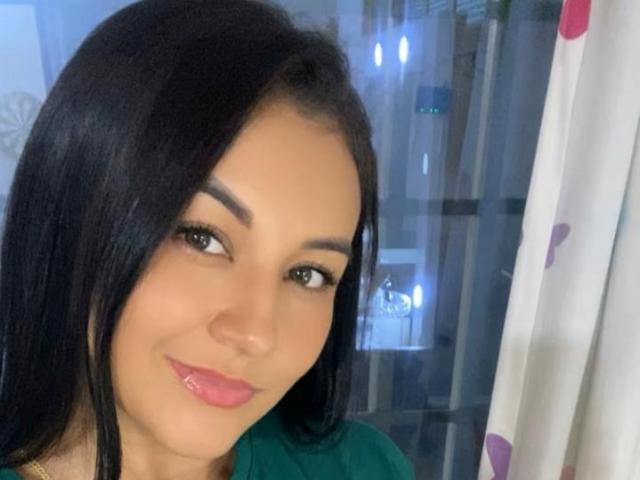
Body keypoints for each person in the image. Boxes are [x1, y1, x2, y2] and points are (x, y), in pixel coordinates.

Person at [0, 1, 415, 479]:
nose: (256, 333)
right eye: (203, 238)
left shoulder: (362, 468)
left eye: (309, 274)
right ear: (73, 210)